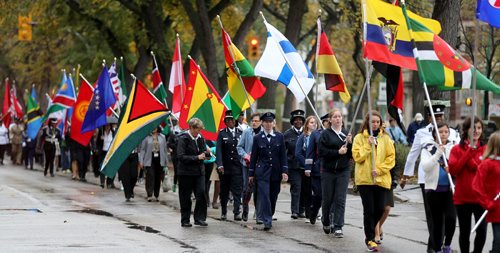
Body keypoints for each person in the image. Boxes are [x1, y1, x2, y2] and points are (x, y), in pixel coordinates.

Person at [401, 103, 460, 253]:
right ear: (429, 117)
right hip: (427, 179)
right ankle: (434, 246)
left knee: (449, 217)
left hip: (449, 181)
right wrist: (406, 175)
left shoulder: (452, 133)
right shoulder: (422, 133)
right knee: (433, 217)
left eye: (440, 116)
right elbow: (413, 154)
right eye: (435, 116)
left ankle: (439, 245)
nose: (438, 118)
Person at [352, 110, 395, 252]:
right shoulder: (359, 138)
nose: (375, 124)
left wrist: (380, 169)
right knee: (369, 210)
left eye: (377, 122)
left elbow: (391, 158)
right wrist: (367, 146)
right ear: (367, 123)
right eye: (372, 122)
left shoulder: (386, 138)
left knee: (380, 208)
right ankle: (370, 238)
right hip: (365, 180)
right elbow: (357, 157)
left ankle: (371, 230)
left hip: (381, 179)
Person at [449, 116, 487, 253]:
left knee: (482, 231)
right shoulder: (456, 150)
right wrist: (467, 154)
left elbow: (483, 170)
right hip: (462, 199)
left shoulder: (486, 149)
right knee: (465, 232)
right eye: (473, 128)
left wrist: (471, 159)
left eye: (479, 128)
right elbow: (453, 170)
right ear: (466, 130)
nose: (476, 131)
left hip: (481, 198)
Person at [249, 112, 288, 231]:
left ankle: (269, 214)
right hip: (262, 172)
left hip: (276, 171)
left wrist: (284, 171)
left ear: (274, 123)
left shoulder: (279, 136)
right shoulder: (257, 138)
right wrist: (251, 173)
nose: (268, 124)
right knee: (264, 195)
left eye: (270, 122)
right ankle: (267, 220)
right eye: (266, 122)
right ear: (262, 123)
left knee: (273, 195)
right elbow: (254, 156)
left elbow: (283, 155)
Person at [421, 122, 456, 253]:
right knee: (437, 222)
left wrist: (446, 152)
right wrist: (438, 153)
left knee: (451, 219)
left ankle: (447, 245)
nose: (444, 134)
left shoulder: (453, 147)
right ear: (435, 134)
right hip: (433, 190)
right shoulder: (428, 148)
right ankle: (437, 248)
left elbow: (456, 166)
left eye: (446, 132)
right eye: (440, 132)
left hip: (449, 190)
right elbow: (425, 167)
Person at [318, 109, 352, 238]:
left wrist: (350, 143)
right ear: (330, 120)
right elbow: (321, 152)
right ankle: (326, 220)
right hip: (328, 171)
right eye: (335, 117)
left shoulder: (346, 133)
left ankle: (338, 226)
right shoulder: (325, 134)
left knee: (340, 199)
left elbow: (351, 154)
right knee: (327, 199)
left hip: (343, 170)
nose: (338, 119)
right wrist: (337, 152)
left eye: (340, 116)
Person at [176, 118, 209, 227]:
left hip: (199, 172)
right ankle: (185, 219)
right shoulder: (183, 139)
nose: (199, 132)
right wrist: (197, 157)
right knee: (185, 196)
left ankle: (199, 218)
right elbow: (181, 156)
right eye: (198, 130)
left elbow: (203, 152)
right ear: (191, 128)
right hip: (185, 173)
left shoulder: (201, 138)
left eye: (200, 130)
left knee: (201, 193)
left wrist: (207, 153)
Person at [472, 131, 500, 253]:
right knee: (498, 241)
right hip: (496, 208)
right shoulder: (487, 164)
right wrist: (487, 203)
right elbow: (477, 186)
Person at [216, 110, 243, 221]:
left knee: (237, 190)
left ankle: (237, 212)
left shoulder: (240, 133)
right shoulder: (222, 133)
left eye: (232, 119)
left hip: (237, 167)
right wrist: (220, 165)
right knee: (224, 191)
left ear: (235, 120)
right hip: (225, 168)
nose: (230, 121)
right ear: (225, 122)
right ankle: (223, 211)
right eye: (228, 120)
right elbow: (219, 151)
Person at [305, 113, 329, 225]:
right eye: (327, 122)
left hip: (331, 169)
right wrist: (308, 168)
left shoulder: (339, 134)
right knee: (318, 195)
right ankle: (314, 211)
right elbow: (310, 152)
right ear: (323, 122)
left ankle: (327, 218)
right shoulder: (316, 134)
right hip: (317, 169)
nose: (329, 123)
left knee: (328, 196)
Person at [237, 113, 262, 222]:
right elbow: (239, 147)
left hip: (260, 166)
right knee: (247, 189)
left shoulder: (263, 133)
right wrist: (246, 155)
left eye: (257, 121)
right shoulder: (246, 132)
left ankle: (258, 213)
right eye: (253, 121)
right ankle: (245, 211)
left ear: (261, 122)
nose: (254, 122)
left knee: (259, 189)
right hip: (247, 165)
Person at [284, 109, 306, 219]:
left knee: (304, 188)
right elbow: (284, 152)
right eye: (296, 120)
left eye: (300, 120)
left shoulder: (307, 133)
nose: (298, 122)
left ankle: (302, 209)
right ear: (293, 121)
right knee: (296, 188)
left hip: (306, 166)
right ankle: (295, 210)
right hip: (293, 166)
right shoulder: (287, 134)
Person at [295, 116, 317, 222]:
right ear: (307, 124)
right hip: (305, 168)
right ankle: (308, 212)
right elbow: (298, 153)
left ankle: (315, 210)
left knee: (317, 191)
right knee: (307, 191)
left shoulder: (319, 136)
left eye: (315, 123)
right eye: (311, 122)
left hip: (317, 168)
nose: (314, 124)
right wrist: (307, 164)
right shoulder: (302, 137)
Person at [139, 127, 168, 202]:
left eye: (155, 127)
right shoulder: (146, 137)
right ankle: (149, 194)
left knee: (158, 177)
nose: (153, 128)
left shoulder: (162, 137)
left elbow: (165, 150)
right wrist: (141, 161)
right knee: (150, 176)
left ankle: (156, 194)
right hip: (149, 159)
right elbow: (142, 150)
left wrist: (166, 162)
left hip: (160, 159)